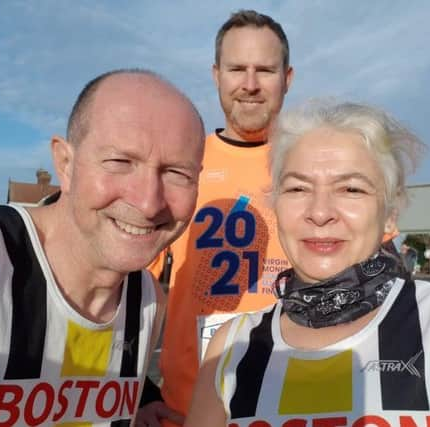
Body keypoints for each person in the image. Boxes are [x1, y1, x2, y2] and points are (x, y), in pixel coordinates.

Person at [184, 101, 430, 426]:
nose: (320, 212)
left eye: (351, 189)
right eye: (298, 189)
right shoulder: (232, 345)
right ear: (276, 207)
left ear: (389, 216)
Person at [0, 69, 205, 426]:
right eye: (120, 162)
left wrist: (139, 406)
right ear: (65, 164)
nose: (148, 202)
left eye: (176, 173)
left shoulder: (146, 301)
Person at [139, 9, 295, 426]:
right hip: (187, 411)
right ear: (216, 75)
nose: (249, 84)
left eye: (264, 70)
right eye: (236, 69)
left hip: (292, 408)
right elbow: (131, 288)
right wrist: (140, 392)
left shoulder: (314, 162)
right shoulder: (182, 165)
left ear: (287, 78)